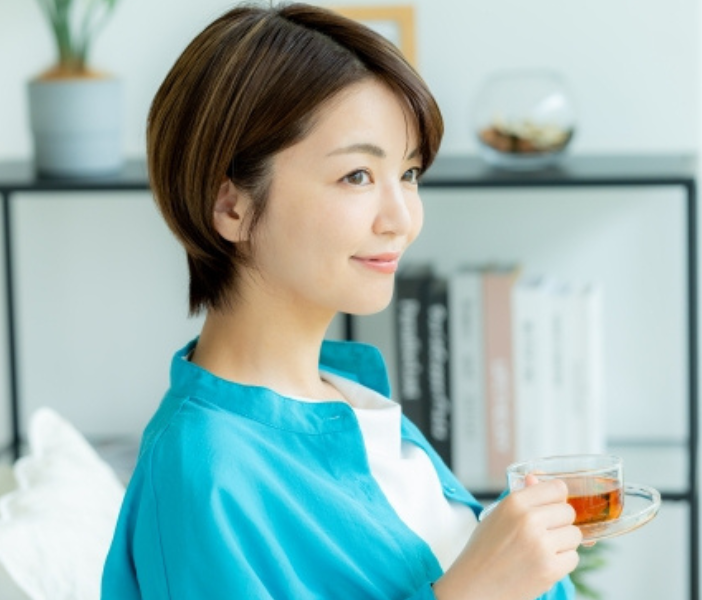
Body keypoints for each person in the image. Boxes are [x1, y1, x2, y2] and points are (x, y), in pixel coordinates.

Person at [100, 3, 589, 599]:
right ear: (231, 206)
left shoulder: (352, 399)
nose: (402, 219)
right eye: (357, 175)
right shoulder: (205, 471)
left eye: (409, 174)